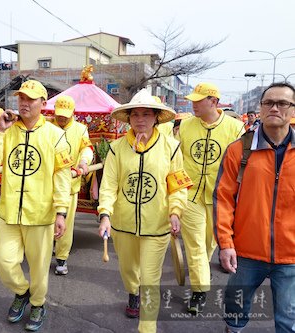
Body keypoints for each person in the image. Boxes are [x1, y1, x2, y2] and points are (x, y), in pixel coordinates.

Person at [0, 80, 72, 331]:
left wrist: (61, 212)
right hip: (10, 212)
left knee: (39, 267)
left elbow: (62, 177)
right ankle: (22, 292)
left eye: (31, 99)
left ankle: (38, 303)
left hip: (40, 214)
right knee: (2, 259)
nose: (24, 102)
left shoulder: (56, 135)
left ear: (43, 104)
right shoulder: (7, 131)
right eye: (21, 97)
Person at [97, 89, 190, 333]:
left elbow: (178, 186)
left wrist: (175, 212)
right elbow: (108, 185)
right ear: (128, 118)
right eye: (135, 114)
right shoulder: (117, 148)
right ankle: (131, 292)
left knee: (150, 281)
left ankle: (147, 328)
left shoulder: (171, 147)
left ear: (156, 117)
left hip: (156, 226)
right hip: (122, 224)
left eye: (146, 114)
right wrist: (105, 214)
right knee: (129, 271)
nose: (140, 119)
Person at [214, 82, 295, 333]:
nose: (274, 108)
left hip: (291, 254)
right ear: (260, 108)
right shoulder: (240, 150)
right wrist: (225, 243)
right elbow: (223, 198)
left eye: (282, 103)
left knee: (288, 316)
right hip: (246, 250)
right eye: (268, 102)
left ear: (293, 110)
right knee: (235, 306)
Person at [178, 82, 245, 314]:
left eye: (199, 100)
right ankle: (199, 291)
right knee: (195, 245)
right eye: (193, 100)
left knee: (209, 244)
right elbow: (176, 160)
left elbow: (243, 164)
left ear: (214, 102)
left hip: (221, 197)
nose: (193, 104)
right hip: (190, 194)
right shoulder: (185, 126)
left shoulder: (236, 128)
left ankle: (200, 274)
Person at [50, 95, 93, 275]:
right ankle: (43, 252)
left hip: (69, 185)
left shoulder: (80, 129)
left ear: (73, 113)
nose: (61, 118)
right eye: (59, 114)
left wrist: (83, 162)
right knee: (45, 223)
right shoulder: (47, 128)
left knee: (65, 224)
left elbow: (87, 149)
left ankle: (61, 257)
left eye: (65, 115)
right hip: (47, 185)